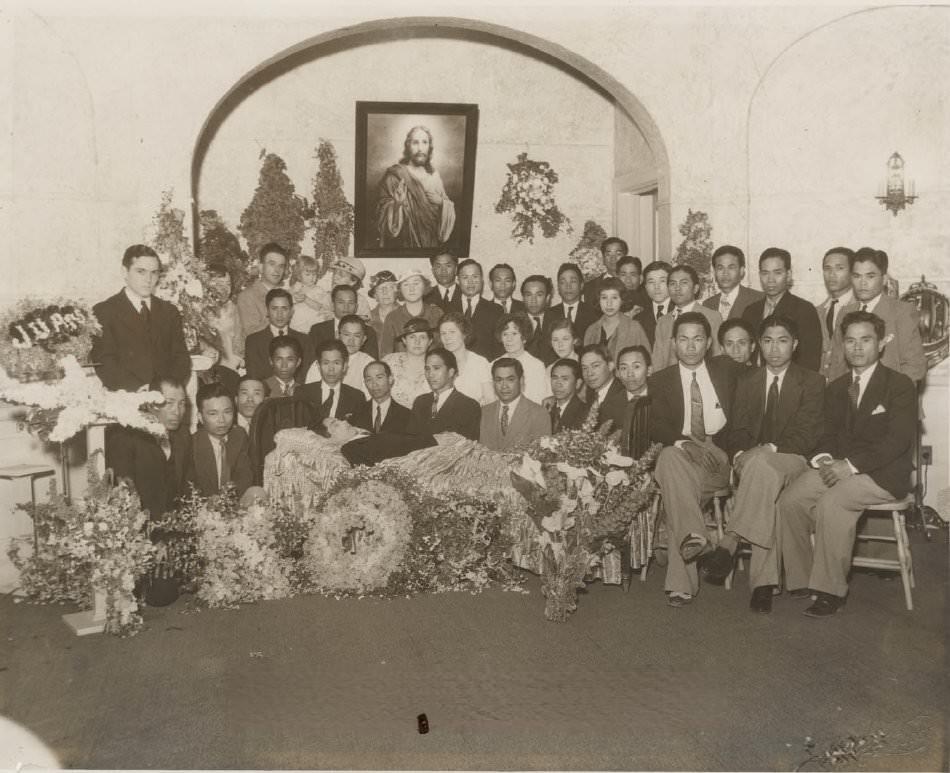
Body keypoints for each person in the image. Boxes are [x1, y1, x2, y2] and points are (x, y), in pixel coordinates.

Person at [777, 310, 917, 617]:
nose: (857, 347)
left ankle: (830, 592)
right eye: (850, 340)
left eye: (865, 340)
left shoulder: (900, 384)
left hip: (883, 474)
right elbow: (826, 434)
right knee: (791, 500)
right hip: (842, 466)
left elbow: (898, 441)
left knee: (833, 502)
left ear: (881, 344)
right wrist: (825, 457)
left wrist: (849, 466)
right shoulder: (837, 387)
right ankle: (802, 580)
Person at [699, 315, 825, 613]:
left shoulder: (812, 381)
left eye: (782, 341)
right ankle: (762, 584)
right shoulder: (747, 380)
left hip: (793, 459)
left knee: (762, 469)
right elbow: (737, 429)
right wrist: (742, 453)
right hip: (754, 463)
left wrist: (764, 450)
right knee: (760, 474)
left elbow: (806, 435)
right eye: (767, 341)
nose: (774, 349)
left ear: (794, 344)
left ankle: (734, 547)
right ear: (759, 345)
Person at [647, 312, 738, 607]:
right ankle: (695, 539)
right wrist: (685, 442)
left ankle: (688, 553)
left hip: (718, 454)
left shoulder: (728, 372)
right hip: (682, 452)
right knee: (671, 458)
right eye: (683, 339)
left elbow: (747, 418)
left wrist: (720, 450)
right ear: (673, 343)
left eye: (698, 339)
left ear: (709, 342)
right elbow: (657, 425)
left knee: (676, 489)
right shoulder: (660, 380)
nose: (690, 346)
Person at [91, 244, 191, 392]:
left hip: (166, 400)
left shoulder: (169, 312)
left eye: (154, 273)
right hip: (127, 399)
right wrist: (142, 391)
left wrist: (165, 390)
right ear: (124, 272)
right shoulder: (104, 311)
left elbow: (181, 359)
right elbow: (105, 362)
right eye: (141, 272)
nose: (149, 279)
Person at [828, 247, 926, 383]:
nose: (863, 283)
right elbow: (837, 364)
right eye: (857, 276)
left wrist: (892, 397)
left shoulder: (902, 311)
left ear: (884, 279)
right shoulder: (845, 312)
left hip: (889, 397)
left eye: (870, 276)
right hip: (850, 397)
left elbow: (915, 366)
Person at [105, 377, 191, 520]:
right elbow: (122, 492)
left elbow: (188, 485)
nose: (177, 411)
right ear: (151, 404)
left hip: (176, 527)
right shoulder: (126, 436)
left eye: (182, 403)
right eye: (169, 403)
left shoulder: (183, 435)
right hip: (140, 528)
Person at [741, 248, 823, 372]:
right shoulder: (750, 311)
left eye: (777, 273)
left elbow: (810, 361)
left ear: (788, 275)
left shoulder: (804, 310)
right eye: (765, 273)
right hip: (754, 385)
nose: (770, 279)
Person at [375, 125, 456, 249]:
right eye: (415, 143)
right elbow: (381, 213)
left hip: (432, 245)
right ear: (408, 146)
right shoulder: (396, 175)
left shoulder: (434, 176)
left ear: (429, 147)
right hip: (405, 245)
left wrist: (441, 203)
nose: (420, 148)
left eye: (424, 142)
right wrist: (397, 204)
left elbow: (447, 209)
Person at [651, 264, 722, 371]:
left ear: (695, 288)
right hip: (668, 382)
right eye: (672, 284)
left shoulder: (711, 316)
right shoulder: (663, 321)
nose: (677, 288)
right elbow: (658, 361)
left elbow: (717, 356)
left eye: (683, 283)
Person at [189, 382, 253, 498]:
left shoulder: (239, 435)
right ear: (200, 417)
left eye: (227, 412)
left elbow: (244, 479)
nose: (222, 420)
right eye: (213, 414)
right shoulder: (192, 445)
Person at [407, 348, 481, 440]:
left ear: (451, 372)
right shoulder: (420, 402)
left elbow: (469, 447)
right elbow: (409, 441)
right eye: (427, 369)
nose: (430, 374)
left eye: (436, 368)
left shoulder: (469, 406)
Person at [479, 358, 551, 452]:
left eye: (510, 380)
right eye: (499, 380)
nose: (504, 386)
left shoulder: (539, 414)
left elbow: (542, 456)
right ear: (493, 383)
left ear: (521, 380)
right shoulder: (484, 412)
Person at [244, 288, 314, 382]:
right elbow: (254, 375)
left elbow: (307, 374)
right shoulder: (253, 341)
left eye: (284, 308)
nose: (279, 314)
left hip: (298, 393)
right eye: (274, 308)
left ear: (291, 311)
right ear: (267, 311)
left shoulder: (304, 340)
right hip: (267, 394)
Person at [583, 277, 651, 363]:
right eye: (604, 298)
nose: (609, 303)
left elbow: (647, 361)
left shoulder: (634, 327)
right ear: (598, 300)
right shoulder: (591, 330)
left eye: (614, 298)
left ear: (622, 300)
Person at [305, 314, 374, 398]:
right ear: (337, 335)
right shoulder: (323, 360)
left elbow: (368, 398)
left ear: (363, 339)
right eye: (346, 335)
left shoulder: (369, 363)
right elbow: (310, 393)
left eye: (357, 336)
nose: (351, 341)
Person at [297, 340, 364, 423]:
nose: (331, 369)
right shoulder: (302, 392)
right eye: (326, 363)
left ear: (344, 366)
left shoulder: (357, 397)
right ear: (318, 366)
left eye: (336, 363)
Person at [379, 270, 444, 356]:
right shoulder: (392, 317)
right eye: (406, 285)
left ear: (425, 286)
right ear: (399, 290)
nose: (411, 289)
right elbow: (385, 354)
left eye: (416, 283)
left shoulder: (437, 313)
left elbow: (445, 346)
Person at [449, 258, 503, 359]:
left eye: (475, 277)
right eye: (465, 277)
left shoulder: (495, 310)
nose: (470, 282)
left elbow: (499, 348)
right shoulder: (448, 308)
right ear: (457, 280)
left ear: (482, 280)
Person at [816, 247, 855, 381]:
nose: (832, 274)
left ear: (852, 272)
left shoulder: (861, 309)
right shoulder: (817, 311)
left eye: (839, 268)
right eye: (827, 269)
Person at [309, 284, 379, 358]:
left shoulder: (368, 331)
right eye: (341, 302)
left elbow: (372, 363)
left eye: (351, 303)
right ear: (332, 305)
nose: (346, 307)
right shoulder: (317, 330)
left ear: (356, 307)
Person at [438, 311, 493, 405]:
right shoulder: (437, 362)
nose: (447, 337)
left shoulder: (480, 362)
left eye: (452, 332)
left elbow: (491, 400)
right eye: (443, 333)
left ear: (464, 334)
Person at [493, 314, 548, 404]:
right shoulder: (494, 364)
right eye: (505, 334)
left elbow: (538, 399)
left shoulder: (536, 365)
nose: (509, 339)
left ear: (524, 337)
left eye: (514, 333)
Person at [236, 242, 288, 336]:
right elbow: (252, 335)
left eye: (281, 266)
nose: (277, 270)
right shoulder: (247, 296)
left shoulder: (287, 295)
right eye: (272, 264)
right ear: (260, 267)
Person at [383, 317, 435, 408]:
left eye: (422, 337)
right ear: (404, 340)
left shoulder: (436, 366)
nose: (417, 342)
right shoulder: (388, 361)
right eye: (412, 337)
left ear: (430, 341)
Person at [703, 245, 764, 321]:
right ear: (714, 272)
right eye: (720, 268)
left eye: (731, 267)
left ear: (741, 271)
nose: (725, 273)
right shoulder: (707, 305)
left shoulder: (759, 300)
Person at [205, 262, 245, 374]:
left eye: (228, 284)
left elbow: (240, 341)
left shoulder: (235, 309)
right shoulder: (200, 311)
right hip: (209, 366)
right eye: (219, 284)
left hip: (234, 364)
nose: (225, 289)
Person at [352, 360, 412, 435]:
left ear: (390, 379)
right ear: (365, 383)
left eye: (379, 377)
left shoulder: (407, 416)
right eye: (369, 379)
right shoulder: (356, 413)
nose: (374, 384)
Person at [578, 344, 628, 432]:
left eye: (595, 366)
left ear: (610, 366)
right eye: (584, 368)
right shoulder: (590, 394)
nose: (589, 373)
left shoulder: (624, 394)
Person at [547, 263, 599, 340]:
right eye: (563, 282)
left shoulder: (594, 313)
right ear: (558, 287)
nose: (568, 286)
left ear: (581, 285)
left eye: (573, 281)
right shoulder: (549, 314)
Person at [616, 345, 652, 454]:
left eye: (636, 367)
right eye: (624, 368)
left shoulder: (663, 400)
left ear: (649, 370)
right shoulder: (609, 405)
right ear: (617, 373)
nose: (630, 374)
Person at [634, 260, 673, 347]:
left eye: (662, 281)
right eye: (651, 282)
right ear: (645, 286)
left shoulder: (681, 312)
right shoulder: (638, 318)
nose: (656, 287)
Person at [289, 254, 333, 332]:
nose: (312, 278)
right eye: (308, 274)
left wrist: (305, 299)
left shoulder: (318, 290)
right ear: (299, 275)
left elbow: (320, 307)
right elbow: (287, 303)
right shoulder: (295, 288)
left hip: (312, 326)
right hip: (297, 326)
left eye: (314, 274)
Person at [521, 275, 557, 364]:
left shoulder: (558, 322)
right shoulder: (514, 322)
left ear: (548, 298)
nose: (533, 300)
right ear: (523, 298)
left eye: (539, 295)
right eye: (528, 295)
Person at [583, 236, 627, 306]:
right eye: (608, 254)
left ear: (625, 257)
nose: (613, 258)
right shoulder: (590, 287)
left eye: (618, 254)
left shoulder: (631, 283)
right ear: (603, 258)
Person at [548, 358, 588, 432]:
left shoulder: (585, 414)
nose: (558, 383)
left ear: (578, 383)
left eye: (565, 379)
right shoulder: (547, 409)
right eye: (555, 378)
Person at [545, 318, 580, 383]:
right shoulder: (550, 369)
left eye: (565, 339)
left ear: (575, 340)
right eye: (555, 340)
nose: (560, 344)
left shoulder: (583, 365)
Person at [367, 270, 399, 340]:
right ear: (375, 295)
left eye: (390, 287)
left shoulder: (407, 314)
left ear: (396, 292)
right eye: (381, 289)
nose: (385, 292)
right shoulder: (368, 319)